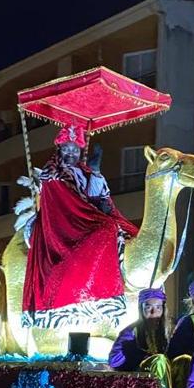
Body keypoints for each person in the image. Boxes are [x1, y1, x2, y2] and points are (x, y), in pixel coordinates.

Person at [21, 124, 138, 329]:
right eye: (67, 147)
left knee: (127, 232)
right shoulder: (51, 171)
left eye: (76, 149)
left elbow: (97, 197)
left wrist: (95, 173)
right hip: (64, 221)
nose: (71, 152)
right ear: (59, 148)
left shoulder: (84, 170)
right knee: (106, 229)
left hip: (86, 216)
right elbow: (63, 199)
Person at [109, 288, 172, 388]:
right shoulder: (131, 332)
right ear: (141, 308)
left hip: (169, 375)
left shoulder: (170, 330)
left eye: (158, 307)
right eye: (149, 307)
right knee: (159, 360)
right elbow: (114, 361)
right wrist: (136, 354)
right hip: (141, 379)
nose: (154, 312)